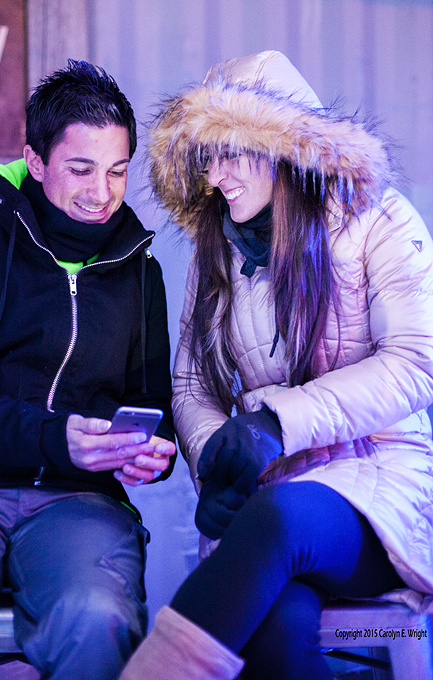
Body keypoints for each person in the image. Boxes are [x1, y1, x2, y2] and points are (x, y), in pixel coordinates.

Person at [119, 51, 433, 680]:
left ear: (282, 147)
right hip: (269, 503)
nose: (214, 177)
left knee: (279, 518)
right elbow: (192, 385)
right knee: (275, 624)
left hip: (380, 486)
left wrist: (274, 423)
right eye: (205, 158)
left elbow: (414, 362)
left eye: (229, 153)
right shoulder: (220, 248)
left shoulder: (379, 220)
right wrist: (218, 465)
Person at [0, 60, 176, 680]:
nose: (101, 192)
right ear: (36, 159)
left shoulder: (139, 271)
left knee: (96, 620)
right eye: (80, 169)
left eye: (117, 170)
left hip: (78, 502)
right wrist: (52, 436)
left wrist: (153, 452)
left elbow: (151, 399)